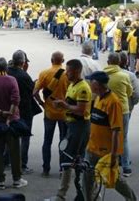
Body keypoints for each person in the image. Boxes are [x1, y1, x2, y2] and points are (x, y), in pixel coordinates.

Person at [82, 71, 137, 201]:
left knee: (115, 179)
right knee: (87, 180)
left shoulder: (113, 102)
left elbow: (116, 130)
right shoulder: (97, 98)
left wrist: (113, 155)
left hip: (106, 152)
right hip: (91, 148)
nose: (89, 83)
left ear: (97, 84)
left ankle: (131, 198)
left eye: (91, 81)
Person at [0, 57, 28, 189]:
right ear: (6, 68)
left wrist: (0, 113)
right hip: (12, 122)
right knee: (14, 151)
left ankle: (0, 180)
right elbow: (15, 100)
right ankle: (17, 179)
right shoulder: (11, 80)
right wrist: (8, 116)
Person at [52, 59, 92, 200]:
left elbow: (81, 111)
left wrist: (65, 106)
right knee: (70, 159)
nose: (66, 73)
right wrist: (62, 104)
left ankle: (63, 194)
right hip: (72, 126)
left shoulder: (82, 88)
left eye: (68, 71)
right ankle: (82, 194)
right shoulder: (72, 85)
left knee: (70, 160)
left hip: (79, 127)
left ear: (76, 71)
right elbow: (70, 104)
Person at [33, 51, 69, 177]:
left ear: (51, 60)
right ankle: (62, 168)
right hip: (64, 113)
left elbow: (35, 92)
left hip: (49, 112)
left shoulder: (44, 73)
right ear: (63, 61)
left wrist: (42, 103)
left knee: (47, 141)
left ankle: (46, 168)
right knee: (63, 141)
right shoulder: (67, 74)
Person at [103, 53, 134, 176]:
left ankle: (108, 165)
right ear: (119, 62)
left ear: (108, 62)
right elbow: (129, 92)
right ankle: (126, 167)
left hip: (106, 109)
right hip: (122, 109)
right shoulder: (124, 76)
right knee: (123, 138)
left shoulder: (103, 75)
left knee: (107, 137)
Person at [6, 50, 35, 174]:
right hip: (24, 109)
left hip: (9, 109)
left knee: (10, 136)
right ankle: (22, 164)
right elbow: (31, 92)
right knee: (25, 136)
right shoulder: (24, 76)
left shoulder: (6, 72)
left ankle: (6, 160)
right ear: (23, 63)